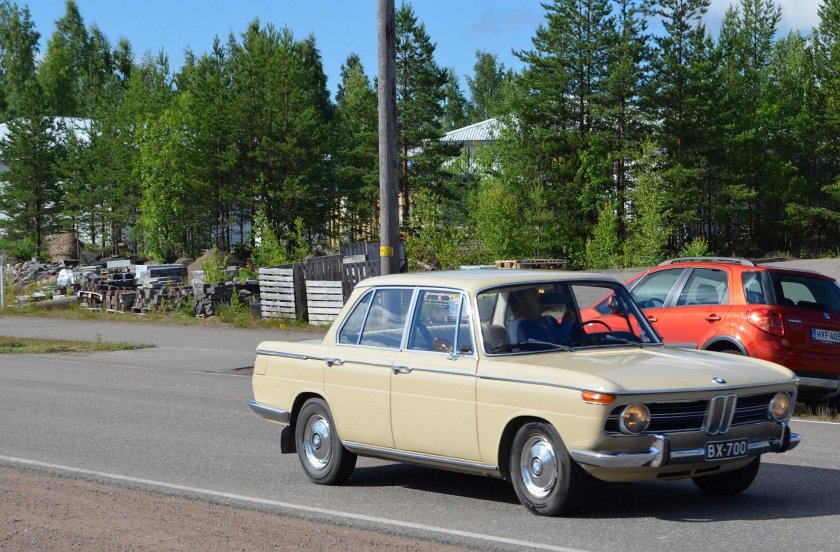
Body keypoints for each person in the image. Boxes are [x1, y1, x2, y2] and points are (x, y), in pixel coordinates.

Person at [507, 287, 577, 346]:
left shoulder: (545, 320)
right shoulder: (521, 325)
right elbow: (552, 342)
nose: (540, 302)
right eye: (535, 300)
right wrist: (567, 322)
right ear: (523, 304)